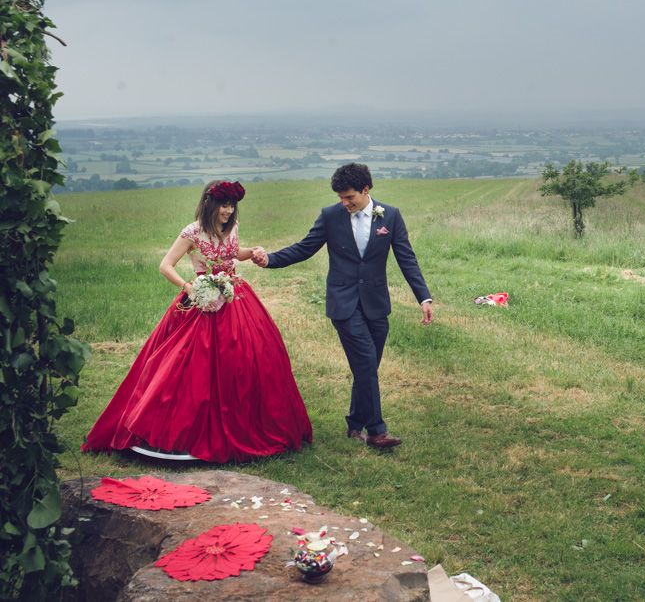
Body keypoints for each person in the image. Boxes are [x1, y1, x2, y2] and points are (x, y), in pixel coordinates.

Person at [81, 180, 312, 463]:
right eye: (224, 205)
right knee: (189, 364)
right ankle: (181, 427)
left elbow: (232, 254)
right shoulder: (192, 232)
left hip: (236, 298)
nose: (228, 211)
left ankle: (248, 422)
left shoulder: (232, 227)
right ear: (209, 204)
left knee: (249, 357)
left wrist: (252, 252)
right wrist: (190, 288)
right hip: (202, 301)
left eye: (231, 205)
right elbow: (165, 265)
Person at [252, 163, 433, 449]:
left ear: (366, 189)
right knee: (365, 363)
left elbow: (406, 258)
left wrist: (423, 297)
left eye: (349, 197)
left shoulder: (391, 216)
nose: (344, 203)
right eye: (340, 197)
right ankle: (377, 431)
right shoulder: (330, 216)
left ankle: (354, 424)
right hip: (344, 304)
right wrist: (270, 260)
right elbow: (304, 247)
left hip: (376, 304)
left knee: (368, 367)